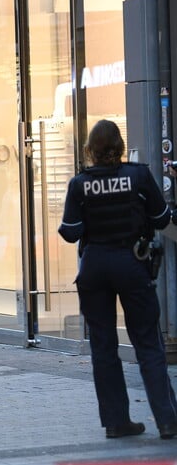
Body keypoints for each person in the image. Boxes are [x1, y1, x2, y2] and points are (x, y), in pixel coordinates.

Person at [58, 119, 177, 440]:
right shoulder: (137, 175)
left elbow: (70, 232)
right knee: (148, 343)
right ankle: (167, 421)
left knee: (103, 345)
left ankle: (116, 422)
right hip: (131, 263)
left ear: (90, 152)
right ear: (120, 148)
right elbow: (162, 218)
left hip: (94, 267)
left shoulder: (79, 183)